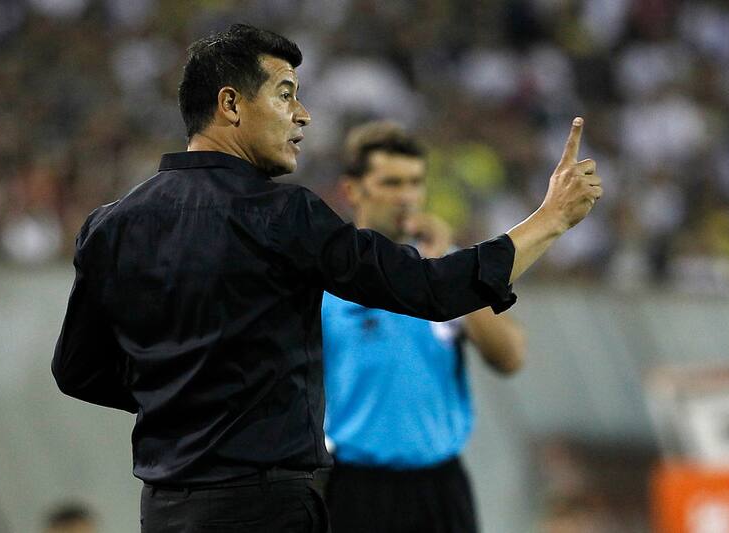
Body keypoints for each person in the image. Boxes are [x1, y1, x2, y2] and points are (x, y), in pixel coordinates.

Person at [51, 24, 602, 533]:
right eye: (286, 93)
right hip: (269, 508)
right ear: (230, 105)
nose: (303, 114)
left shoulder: (110, 226)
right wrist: (550, 219)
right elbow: (430, 290)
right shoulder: (282, 216)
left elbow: (77, 370)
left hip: (166, 509)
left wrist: (177, 400)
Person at [321, 121, 526, 533]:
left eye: (415, 182)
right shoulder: (326, 276)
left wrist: (451, 280)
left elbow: (510, 358)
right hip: (356, 485)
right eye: (392, 182)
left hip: (440, 485)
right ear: (353, 190)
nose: (407, 196)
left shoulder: (447, 271)